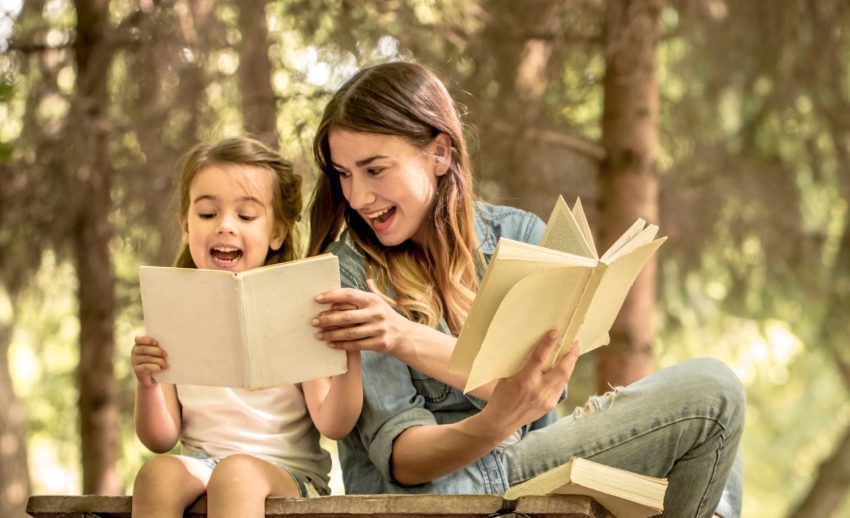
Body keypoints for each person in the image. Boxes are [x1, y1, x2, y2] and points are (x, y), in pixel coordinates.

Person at [306, 62, 745, 518]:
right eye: (344, 174)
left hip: (530, 473)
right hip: (445, 496)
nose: (357, 197)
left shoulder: (517, 235)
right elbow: (403, 459)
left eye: (374, 170)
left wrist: (404, 337)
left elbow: (543, 390)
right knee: (713, 394)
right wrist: (496, 421)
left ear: (439, 154)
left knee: (717, 448)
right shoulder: (349, 272)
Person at [130, 138, 362, 518]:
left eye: (246, 216)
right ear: (186, 227)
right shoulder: (174, 310)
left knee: (236, 474)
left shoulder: (300, 309)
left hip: (290, 476)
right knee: (157, 474)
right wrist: (146, 384)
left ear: (277, 233)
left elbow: (333, 424)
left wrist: (349, 353)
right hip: (203, 466)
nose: (225, 226)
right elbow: (160, 439)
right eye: (207, 214)